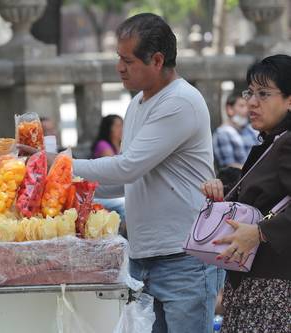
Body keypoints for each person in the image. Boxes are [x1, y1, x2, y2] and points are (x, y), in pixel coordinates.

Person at [51, 13, 218, 332]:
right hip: (145, 260)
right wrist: (64, 190)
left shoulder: (180, 101)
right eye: (119, 58)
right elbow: (129, 179)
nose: (120, 67)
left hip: (183, 259)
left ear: (156, 60)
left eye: (127, 60)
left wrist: (57, 165)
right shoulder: (137, 104)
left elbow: (126, 168)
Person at [201, 55, 291, 332]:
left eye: (264, 94)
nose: (252, 102)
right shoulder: (270, 141)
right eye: (250, 92)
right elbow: (265, 200)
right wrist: (224, 196)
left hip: (275, 289)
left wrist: (260, 232)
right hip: (252, 283)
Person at [91, 115, 126, 229]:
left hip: (112, 189)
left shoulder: (120, 145)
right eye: (117, 125)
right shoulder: (103, 145)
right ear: (109, 128)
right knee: (124, 204)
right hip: (101, 192)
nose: (121, 129)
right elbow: (115, 170)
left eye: (122, 125)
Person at [212, 93, 259, 169]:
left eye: (248, 106)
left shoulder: (252, 129)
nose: (246, 110)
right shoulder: (223, 133)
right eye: (242, 106)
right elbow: (229, 166)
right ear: (229, 109)